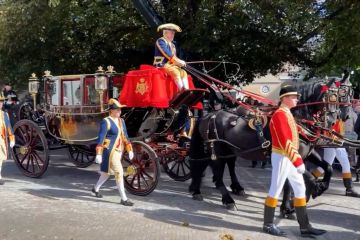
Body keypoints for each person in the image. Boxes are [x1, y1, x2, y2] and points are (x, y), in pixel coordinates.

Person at [263, 85, 326, 237]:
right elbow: (286, 142)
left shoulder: (287, 113)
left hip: (289, 157)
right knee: (275, 189)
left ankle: (304, 226)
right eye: (294, 97)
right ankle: (268, 224)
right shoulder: (280, 115)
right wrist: (298, 161)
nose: (297, 99)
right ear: (285, 98)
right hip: (282, 156)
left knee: (299, 189)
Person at [91, 98, 135, 206]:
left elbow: (125, 136)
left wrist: (130, 149)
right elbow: (101, 138)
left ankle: (95, 189)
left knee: (106, 173)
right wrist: (99, 153)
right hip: (109, 151)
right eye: (117, 110)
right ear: (111, 110)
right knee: (119, 172)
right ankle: (124, 198)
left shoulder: (121, 121)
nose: (119, 112)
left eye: (120, 110)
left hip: (119, 150)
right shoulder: (106, 121)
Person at [312, 118, 360, 197]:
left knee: (325, 166)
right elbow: (331, 131)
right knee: (345, 165)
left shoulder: (338, 118)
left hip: (335, 143)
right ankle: (349, 189)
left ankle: (309, 180)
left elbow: (340, 132)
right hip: (333, 143)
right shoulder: (334, 118)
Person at [153, 23, 189, 91]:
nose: (173, 35)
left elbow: (174, 57)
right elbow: (167, 53)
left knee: (184, 72)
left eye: (173, 33)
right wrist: (178, 61)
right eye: (171, 33)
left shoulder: (172, 45)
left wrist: (180, 62)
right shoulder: (161, 41)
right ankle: (182, 91)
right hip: (161, 64)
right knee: (176, 72)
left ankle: (187, 91)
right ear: (165, 33)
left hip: (170, 65)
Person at [0, 93, 15, 185]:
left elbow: (9, 127)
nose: (0, 103)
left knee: (0, 158)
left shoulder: (5, 114)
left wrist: (12, 138)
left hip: (0, 139)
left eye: (1, 102)